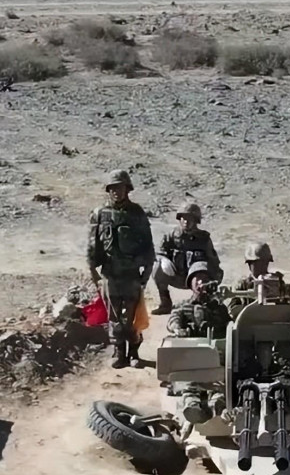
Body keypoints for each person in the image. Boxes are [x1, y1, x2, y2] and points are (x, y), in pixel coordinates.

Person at [87, 170, 155, 369]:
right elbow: (92, 244)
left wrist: (146, 273)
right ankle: (119, 352)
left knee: (132, 316)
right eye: (113, 188)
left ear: (127, 189)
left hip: (132, 273)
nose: (117, 191)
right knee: (114, 315)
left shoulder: (137, 213)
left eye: (120, 187)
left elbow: (148, 244)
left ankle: (134, 352)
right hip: (110, 272)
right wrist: (93, 272)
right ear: (108, 190)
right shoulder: (100, 213)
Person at [166, 262, 232, 424]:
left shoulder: (219, 309)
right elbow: (173, 319)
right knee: (189, 384)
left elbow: (230, 328)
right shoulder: (183, 306)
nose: (202, 283)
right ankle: (192, 405)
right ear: (191, 283)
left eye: (205, 279)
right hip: (191, 357)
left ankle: (217, 404)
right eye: (198, 279)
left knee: (218, 384)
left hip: (214, 357)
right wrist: (178, 329)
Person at [152, 202, 223, 315]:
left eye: (189, 218)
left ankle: (197, 302)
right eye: (183, 218)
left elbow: (213, 261)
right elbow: (160, 252)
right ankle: (165, 303)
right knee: (157, 267)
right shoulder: (172, 235)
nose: (186, 221)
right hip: (176, 275)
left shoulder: (204, 239)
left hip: (196, 279)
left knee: (200, 269)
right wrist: (164, 260)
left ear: (195, 221)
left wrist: (213, 278)